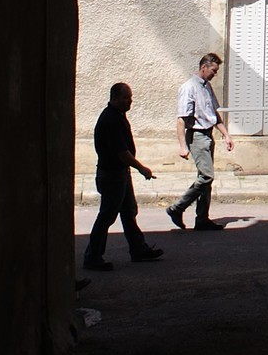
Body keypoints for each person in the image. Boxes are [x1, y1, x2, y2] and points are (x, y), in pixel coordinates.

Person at [84, 83, 163, 273]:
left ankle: (138, 249)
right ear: (115, 98)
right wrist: (142, 168)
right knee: (107, 215)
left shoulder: (117, 116)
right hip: (112, 175)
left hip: (120, 173)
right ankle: (92, 256)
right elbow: (122, 152)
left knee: (129, 212)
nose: (130, 102)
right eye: (126, 98)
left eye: (130, 98)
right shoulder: (111, 120)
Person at [168, 50, 232, 231]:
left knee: (206, 179)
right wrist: (182, 146)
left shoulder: (206, 86)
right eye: (213, 70)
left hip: (208, 134)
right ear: (203, 67)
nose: (215, 74)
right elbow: (181, 119)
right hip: (196, 136)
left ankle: (202, 218)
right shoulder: (189, 87)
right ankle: (177, 208)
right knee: (206, 176)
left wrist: (226, 134)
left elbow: (213, 114)